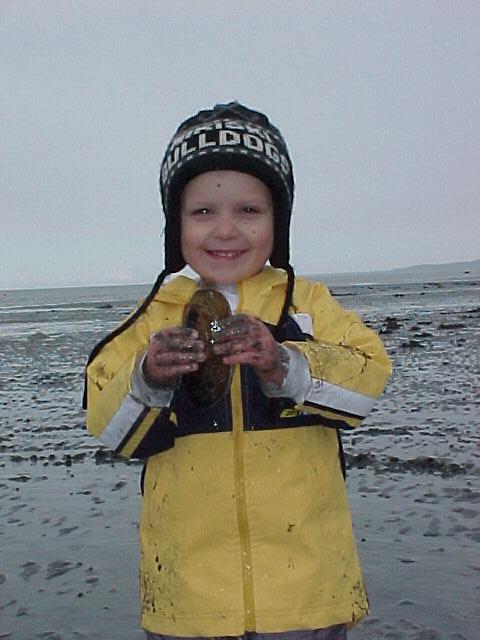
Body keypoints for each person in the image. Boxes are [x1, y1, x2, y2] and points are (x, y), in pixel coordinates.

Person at [84, 102, 392, 640]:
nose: (225, 230)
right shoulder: (155, 314)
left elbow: (368, 385)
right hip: (188, 600)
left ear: (280, 220)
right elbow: (109, 428)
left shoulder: (308, 304)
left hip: (309, 594)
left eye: (249, 211)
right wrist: (149, 378)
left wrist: (285, 364)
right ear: (174, 223)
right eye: (202, 212)